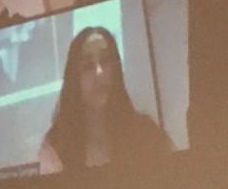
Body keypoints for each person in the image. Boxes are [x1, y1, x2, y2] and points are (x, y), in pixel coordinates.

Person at [38, 26, 173, 174]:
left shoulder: (147, 133)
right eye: (88, 65)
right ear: (74, 79)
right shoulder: (56, 147)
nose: (99, 72)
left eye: (105, 60)